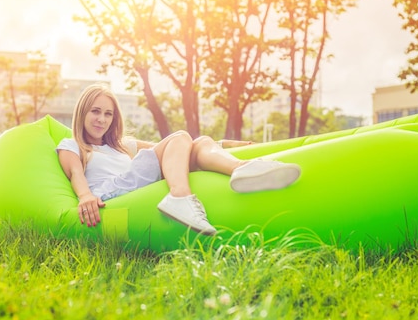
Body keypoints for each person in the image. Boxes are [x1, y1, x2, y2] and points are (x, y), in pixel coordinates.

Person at [57, 83, 301, 236]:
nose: (101, 119)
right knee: (180, 136)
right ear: (83, 112)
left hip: (134, 184)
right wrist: (85, 197)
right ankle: (180, 196)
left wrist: (226, 144)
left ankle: (242, 168)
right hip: (111, 194)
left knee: (200, 142)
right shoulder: (72, 145)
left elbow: (179, 148)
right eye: (95, 111)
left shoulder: (122, 146)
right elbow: (76, 173)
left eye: (108, 114)